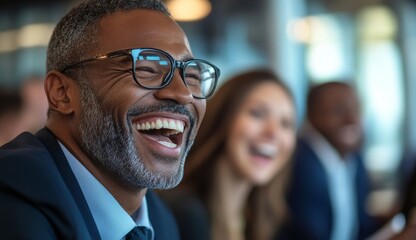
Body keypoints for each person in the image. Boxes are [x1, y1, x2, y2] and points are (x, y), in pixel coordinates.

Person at [0, 0, 220, 239]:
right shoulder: (12, 199)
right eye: (146, 68)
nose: (183, 93)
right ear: (61, 93)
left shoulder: (160, 219)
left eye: (192, 75)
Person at [160, 69, 297, 240]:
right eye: (257, 113)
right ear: (222, 118)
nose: (273, 132)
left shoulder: (261, 219)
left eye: (286, 123)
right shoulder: (183, 213)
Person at [283, 81, 379, 240]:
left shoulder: (354, 159)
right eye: (338, 110)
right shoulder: (298, 162)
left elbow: (362, 225)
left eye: (356, 109)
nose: (351, 119)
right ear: (312, 115)